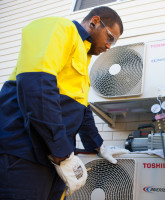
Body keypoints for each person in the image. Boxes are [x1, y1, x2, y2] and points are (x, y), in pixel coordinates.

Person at [0, 6, 129, 200]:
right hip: (24, 154)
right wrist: (63, 154)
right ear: (95, 21)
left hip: (53, 161)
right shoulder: (59, 28)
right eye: (110, 37)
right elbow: (37, 88)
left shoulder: (83, 60)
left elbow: (82, 112)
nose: (109, 46)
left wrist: (99, 146)